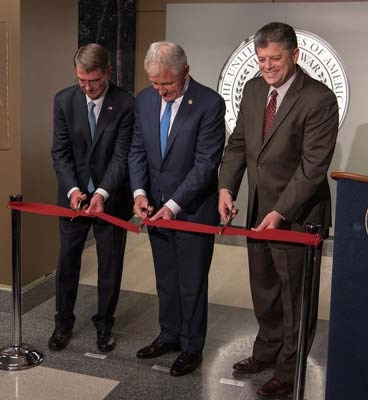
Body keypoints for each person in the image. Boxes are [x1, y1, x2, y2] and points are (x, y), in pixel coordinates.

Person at [218, 22, 339, 398]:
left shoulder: (319, 99)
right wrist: (226, 186)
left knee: (295, 300)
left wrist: (282, 212)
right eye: (261, 59)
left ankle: (289, 371)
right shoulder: (254, 90)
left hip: (297, 217)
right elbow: (238, 144)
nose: (267, 66)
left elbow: (313, 167)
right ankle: (266, 352)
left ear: (295, 56)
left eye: (275, 59)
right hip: (257, 211)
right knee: (265, 290)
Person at [129, 41, 225, 376]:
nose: (161, 91)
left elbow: (205, 164)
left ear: (185, 71)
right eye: (155, 83)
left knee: (192, 282)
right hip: (154, 208)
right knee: (166, 278)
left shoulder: (210, 104)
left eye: (167, 84)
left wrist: (173, 205)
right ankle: (168, 335)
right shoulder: (143, 99)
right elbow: (137, 149)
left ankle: (191, 346)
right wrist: (140, 192)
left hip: (193, 210)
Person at [50, 43, 134, 353]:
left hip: (110, 199)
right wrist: (74, 190)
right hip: (72, 197)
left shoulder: (126, 104)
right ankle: (63, 323)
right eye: (82, 81)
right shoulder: (64, 101)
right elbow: (60, 152)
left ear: (108, 74)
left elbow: (122, 157)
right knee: (67, 262)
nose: (88, 88)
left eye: (94, 82)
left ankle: (104, 325)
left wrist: (101, 193)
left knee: (109, 264)